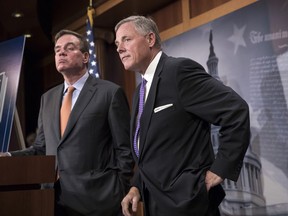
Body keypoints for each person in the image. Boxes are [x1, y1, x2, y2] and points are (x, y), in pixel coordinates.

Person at [114, 15, 250, 216]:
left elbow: (236, 111)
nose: (119, 48)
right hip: (156, 206)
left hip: (190, 205)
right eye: (117, 43)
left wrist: (220, 169)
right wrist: (136, 187)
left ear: (150, 39)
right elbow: (151, 153)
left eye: (126, 39)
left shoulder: (179, 71)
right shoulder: (139, 92)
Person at [0, 29, 134, 216]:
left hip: (98, 200)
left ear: (86, 57)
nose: (61, 53)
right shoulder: (47, 98)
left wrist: (119, 188)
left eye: (69, 48)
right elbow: (41, 148)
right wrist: (9, 157)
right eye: (57, 50)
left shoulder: (109, 93)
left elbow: (125, 150)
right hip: (52, 199)